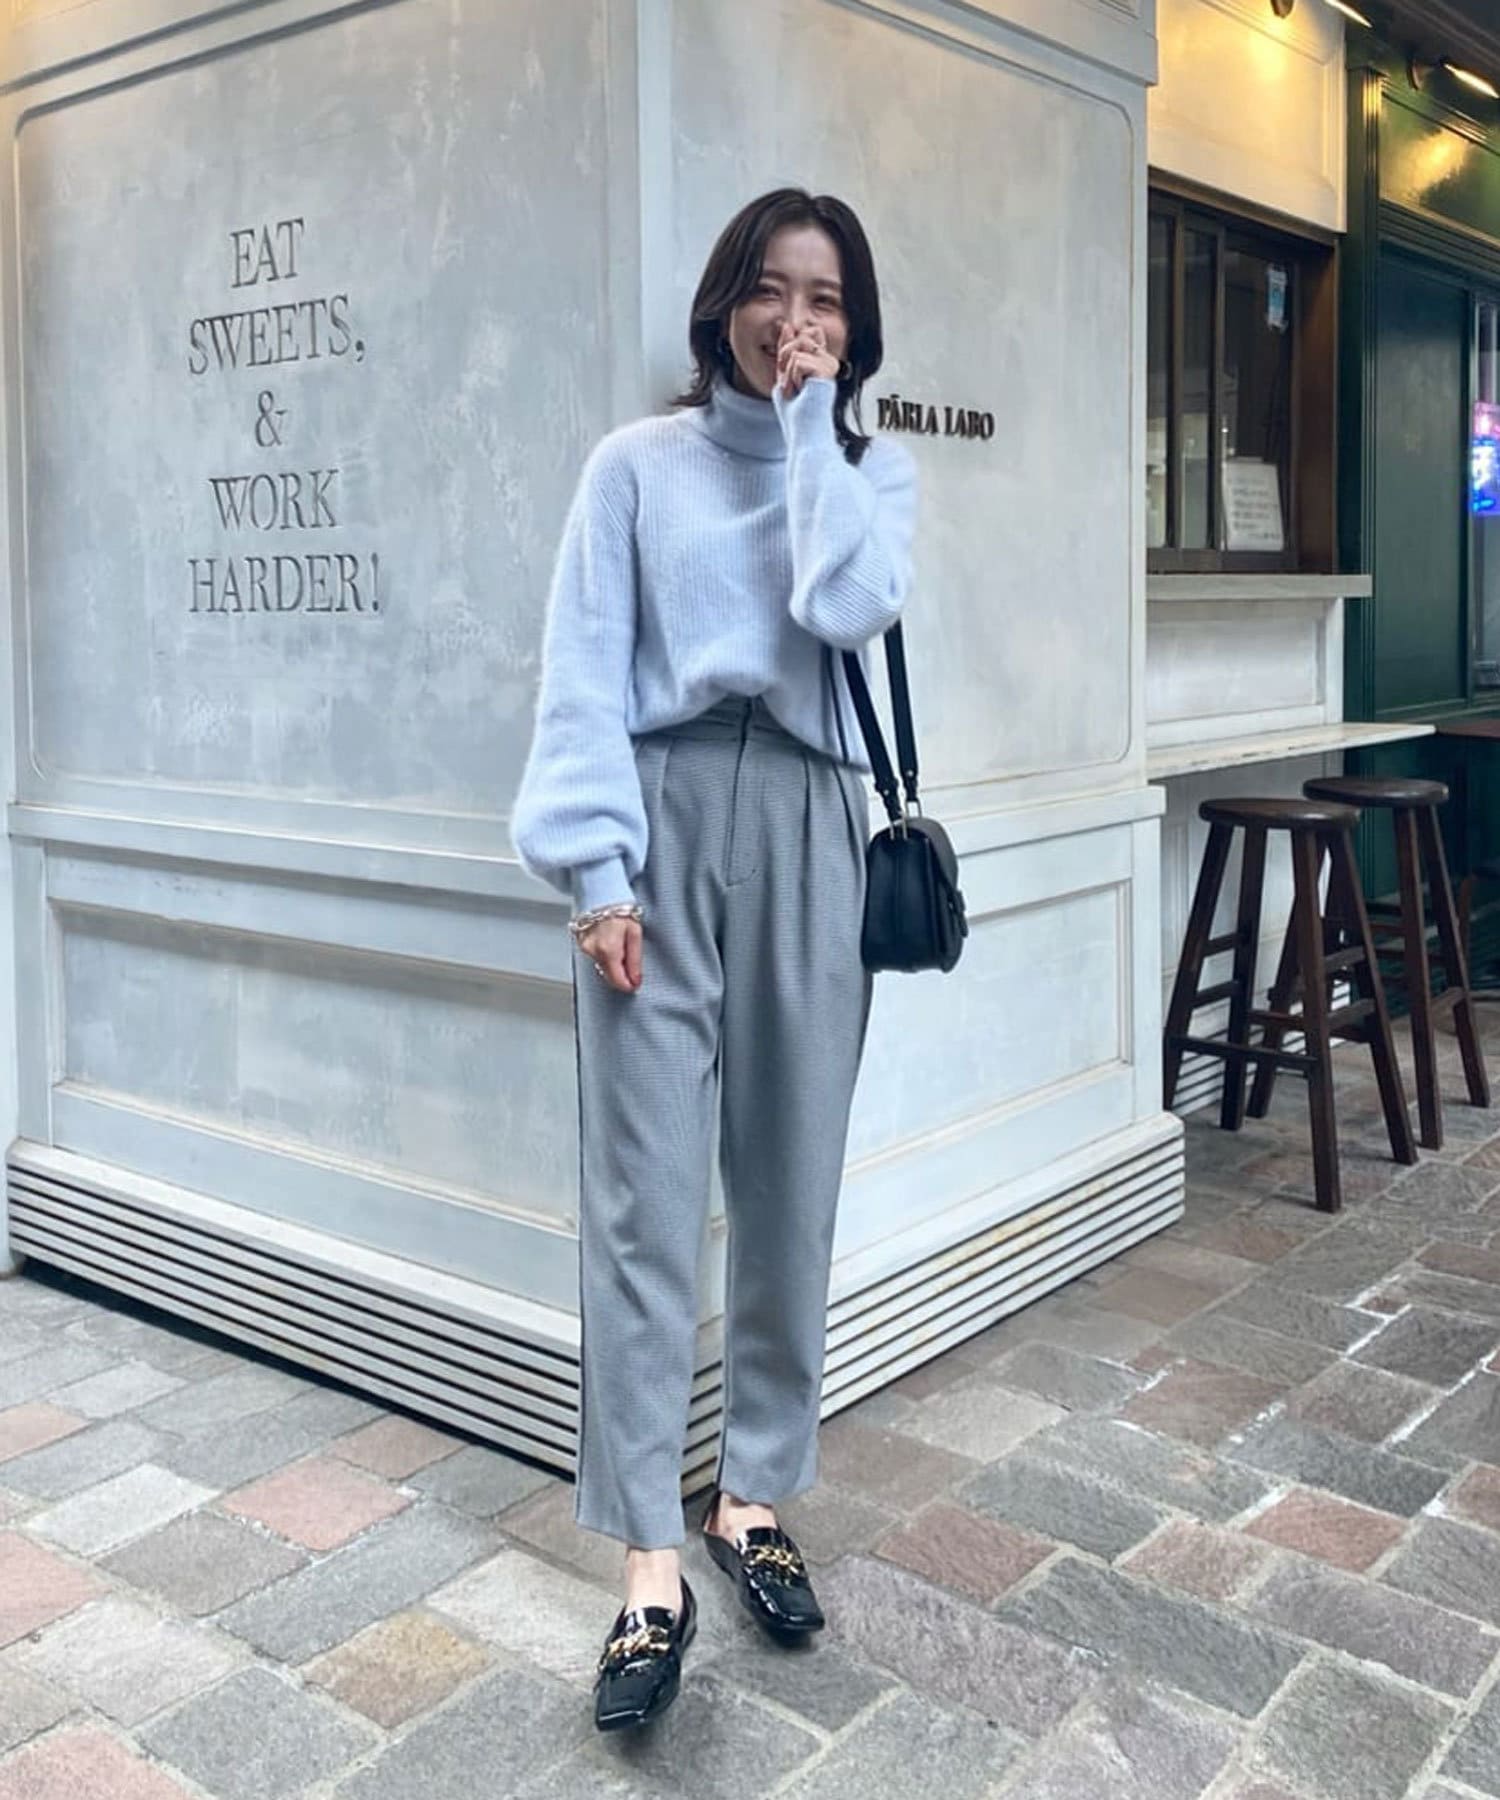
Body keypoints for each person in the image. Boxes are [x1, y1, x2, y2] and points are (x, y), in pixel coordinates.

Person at [512, 186, 917, 1731]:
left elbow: (841, 604)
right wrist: (596, 873)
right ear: (722, 302)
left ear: (854, 329)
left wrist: (811, 430)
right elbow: (581, 674)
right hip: (660, 824)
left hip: (814, 826)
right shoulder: (635, 467)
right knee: (644, 1200)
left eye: (825, 299)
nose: (793, 320)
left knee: (790, 1183)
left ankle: (751, 1500)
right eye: (770, 288)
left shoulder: (871, 477)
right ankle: (647, 1564)